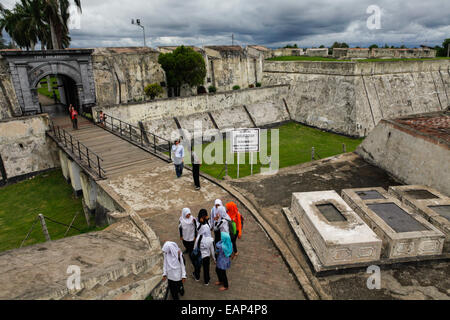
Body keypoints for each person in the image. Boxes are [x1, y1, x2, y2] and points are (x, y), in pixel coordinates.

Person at [193, 209, 215, 285]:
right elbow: (212, 249)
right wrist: (214, 259)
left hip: (199, 254)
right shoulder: (209, 240)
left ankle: (197, 277)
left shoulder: (198, 238)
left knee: (198, 266)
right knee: (206, 268)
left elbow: (195, 246)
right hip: (206, 255)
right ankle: (206, 281)